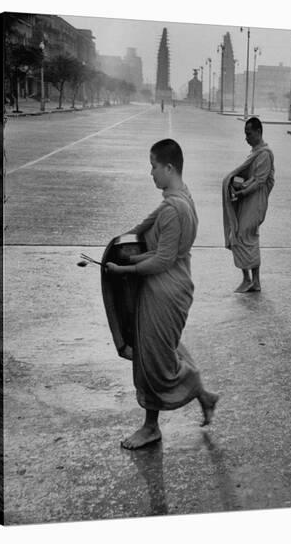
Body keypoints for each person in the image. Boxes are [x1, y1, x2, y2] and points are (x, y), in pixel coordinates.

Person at [106, 139, 219, 450]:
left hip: (165, 291)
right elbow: (143, 230)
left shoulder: (174, 208)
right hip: (167, 286)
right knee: (151, 354)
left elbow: (161, 260)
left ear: (169, 167)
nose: (151, 172)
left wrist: (123, 270)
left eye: (154, 166)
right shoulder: (179, 199)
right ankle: (195, 402)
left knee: (155, 363)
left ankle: (168, 411)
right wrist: (120, 251)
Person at [222, 117, 275, 293]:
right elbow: (249, 177)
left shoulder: (265, 154)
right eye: (245, 134)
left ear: (259, 132)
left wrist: (242, 191)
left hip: (255, 202)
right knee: (237, 234)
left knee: (247, 236)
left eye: (249, 133)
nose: (246, 137)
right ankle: (248, 279)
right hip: (247, 200)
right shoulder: (255, 153)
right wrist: (235, 182)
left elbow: (259, 181)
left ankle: (254, 281)